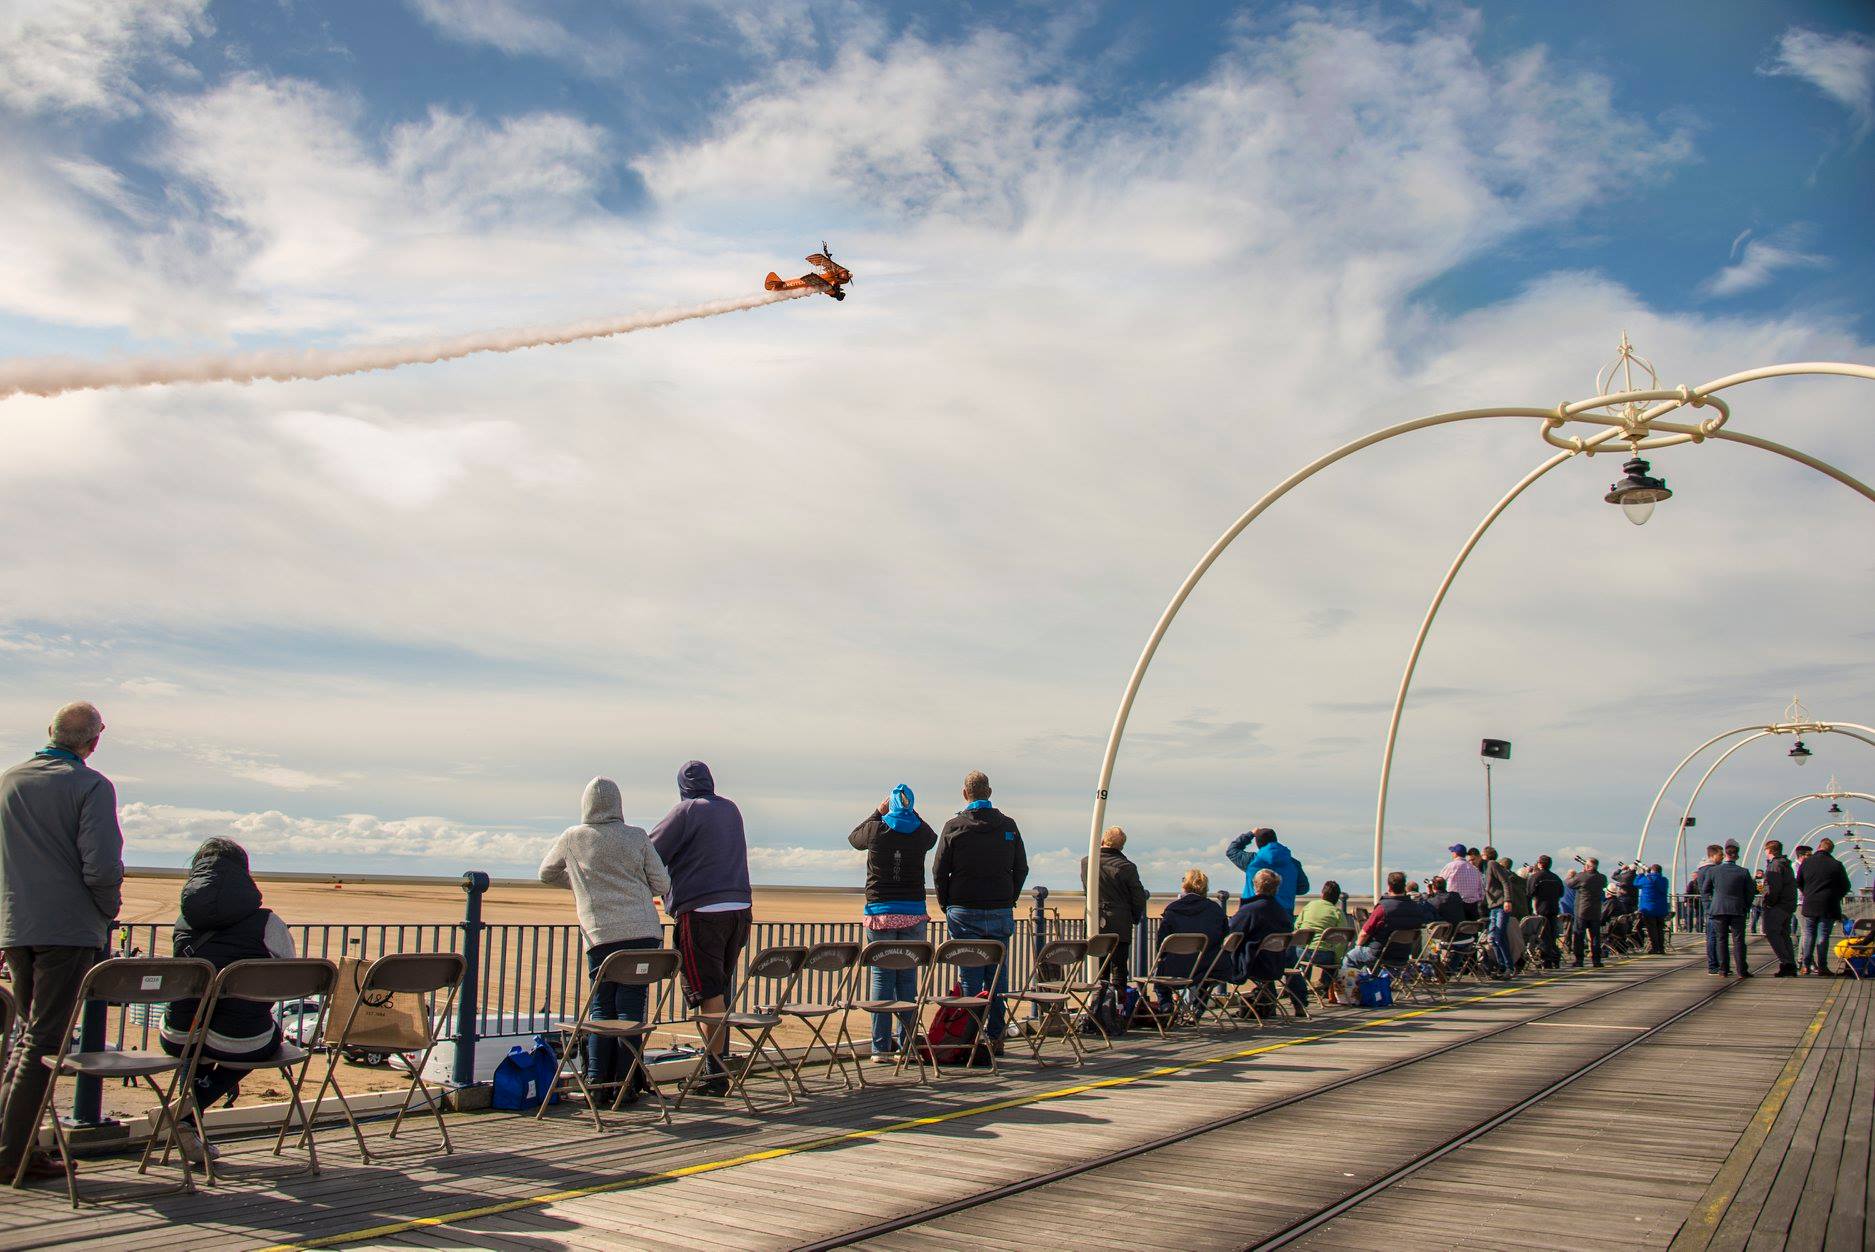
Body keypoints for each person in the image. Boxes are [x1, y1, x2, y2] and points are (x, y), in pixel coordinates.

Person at [0, 701, 125, 1184]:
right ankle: (12, 1154)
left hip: (17, 926)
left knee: (26, 1038)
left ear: (49, 732)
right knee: (44, 1042)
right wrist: (107, 908)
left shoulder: (11, 780)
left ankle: (17, 1146)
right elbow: (101, 864)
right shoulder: (90, 786)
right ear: (94, 740)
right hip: (66, 931)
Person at [159, 838, 295, 1163]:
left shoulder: (182, 923)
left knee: (199, 1044)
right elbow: (289, 979)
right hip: (242, 1039)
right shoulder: (267, 923)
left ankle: (190, 1126)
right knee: (261, 1041)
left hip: (179, 1034)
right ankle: (187, 1113)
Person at [541, 777, 670, 1098]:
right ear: (619, 804)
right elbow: (662, 884)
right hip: (643, 934)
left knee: (602, 1011)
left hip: (601, 936)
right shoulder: (636, 837)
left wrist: (585, 885)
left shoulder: (574, 838)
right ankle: (627, 1087)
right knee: (631, 1011)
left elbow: (546, 872)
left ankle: (598, 1084)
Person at [649, 760, 752, 1096]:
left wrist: (660, 889)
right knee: (718, 992)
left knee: (708, 996)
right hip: (739, 909)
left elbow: (649, 853)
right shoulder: (730, 809)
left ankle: (714, 1076)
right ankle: (715, 1070)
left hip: (702, 911)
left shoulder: (687, 811)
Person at [934, 771, 1027, 1051]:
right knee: (998, 976)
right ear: (990, 792)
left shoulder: (954, 826)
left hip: (964, 910)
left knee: (970, 977)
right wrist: (1009, 898)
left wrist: (947, 903)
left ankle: (969, 1037)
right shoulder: (1008, 825)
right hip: (999, 909)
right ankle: (996, 1036)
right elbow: (1021, 867)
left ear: (965, 794)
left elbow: (939, 870)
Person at [848, 783, 938, 1062]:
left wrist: (878, 811)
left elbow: (854, 838)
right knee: (907, 978)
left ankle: (880, 1048)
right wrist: (911, 810)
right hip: (913, 911)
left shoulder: (877, 829)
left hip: (881, 912)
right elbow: (931, 836)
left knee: (882, 977)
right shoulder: (919, 832)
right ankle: (907, 1045)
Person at [1226, 869, 1305, 1017]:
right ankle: (1267, 1004)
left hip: (1253, 964)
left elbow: (1230, 931)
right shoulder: (1281, 912)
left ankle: (1195, 1011)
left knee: (1209, 964)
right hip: (1275, 963)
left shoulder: (1250, 910)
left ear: (1255, 885)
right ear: (1276, 888)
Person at [1081, 826, 1150, 993]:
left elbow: (1087, 889)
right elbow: (1138, 896)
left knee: (1098, 967)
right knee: (1119, 967)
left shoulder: (1087, 862)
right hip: (1120, 921)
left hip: (1095, 919)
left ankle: (1098, 1005)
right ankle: (1118, 1006)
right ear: (1121, 846)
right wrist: (1133, 917)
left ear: (1103, 840)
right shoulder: (1127, 867)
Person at [1155, 869, 1227, 1010]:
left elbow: (1161, 943)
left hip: (1176, 968)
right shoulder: (1216, 910)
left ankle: (1166, 1005)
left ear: (1185, 886)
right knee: (1205, 978)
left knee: (1160, 979)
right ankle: (1198, 1009)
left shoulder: (1173, 909)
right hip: (1209, 967)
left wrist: (1162, 957)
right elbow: (1224, 937)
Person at [1345, 871, 1434, 967]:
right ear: (1404, 886)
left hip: (1380, 954)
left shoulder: (1383, 908)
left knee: (1351, 957)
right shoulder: (1416, 908)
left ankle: (1347, 982)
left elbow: (1364, 933)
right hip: (1403, 954)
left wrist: (1358, 946)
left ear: (1389, 887)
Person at [1796, 837, 1851, 976]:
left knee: (1808, 935)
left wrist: (1807, 893)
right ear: (1831, 850)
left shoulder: (1806, 862)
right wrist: (1835, 896)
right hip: (1828, 905)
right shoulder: (1836, 864)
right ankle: (1822, 967)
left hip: (1809, 904)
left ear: (1819, 847)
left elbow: (1799, 881)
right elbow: (1846, 886)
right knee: (1823, 936)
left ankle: (1805, 966)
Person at [1224, 827, 1309, 914]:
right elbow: (1303, 888)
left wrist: (1250, 834)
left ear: (1258, 844)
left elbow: (1231, 851)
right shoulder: (1293, 864)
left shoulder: (1252, 861)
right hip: (1283, 915)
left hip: (1253, 912)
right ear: (1275, 840)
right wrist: (1286, 890)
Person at [1702, 841, 1755, 978]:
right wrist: (1746, 906)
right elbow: (1750, 892)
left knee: (1721, 939)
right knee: (1738, 940)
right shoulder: (1743, 872)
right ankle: (1742, 970)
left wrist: (1709, 906)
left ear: (1725, 854)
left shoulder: (1713, 870)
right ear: (1737, 856)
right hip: (1738, 909)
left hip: (1718, 909)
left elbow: (1705, 890)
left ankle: (1723, 969)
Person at [1296, 880, 1352, 1002]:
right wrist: (1337, 959)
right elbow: (1342, 939)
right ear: (1337, 899)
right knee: (1332, 964)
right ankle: (1325, 987)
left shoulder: (1309, 906)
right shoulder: (1337, 912)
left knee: (1302, 959)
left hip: (1303, 952)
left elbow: (1296, 927)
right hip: (1324, 955)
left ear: (1322, 894)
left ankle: (1300, 989)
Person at [1758, 840, 1798, 977]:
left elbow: (1774, 888)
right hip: (1788, 905)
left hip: (1778, 906)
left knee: (1772, 932)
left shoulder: (1775, 865)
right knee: (1784, 934)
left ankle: (1786, 963)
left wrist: (1769, 902)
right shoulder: (1786, 864)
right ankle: (1790, 963)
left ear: (1769, 850)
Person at [1564, 857, 1607, 968]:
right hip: (1596, 911)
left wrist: (1573, 875)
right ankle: (1596, 961)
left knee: (1578, 936)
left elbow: (1569, 884)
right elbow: (1602, 883)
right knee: (1595, 937)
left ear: (1587, 866)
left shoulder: (1581, 876)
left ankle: (1579, 960)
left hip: (1582, 911)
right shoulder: (1602, 878)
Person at [1481, 846, 1517, 974]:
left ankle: (1507, 965)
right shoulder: (1487, 867)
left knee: (1498, 936)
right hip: (1494, 906)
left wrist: (1507, 900)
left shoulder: (1492, 864)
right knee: (1495, 938)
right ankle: (1503, 965)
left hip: (1500, 904)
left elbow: (1505, 882)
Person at [1527, 855, 1564, 968]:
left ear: (1540, 864)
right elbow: (1561, 893)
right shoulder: (1556, 877)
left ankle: (1546, 960)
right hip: (1553, 908)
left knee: (1543, 935)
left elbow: (1529, 892)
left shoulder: (1536, 877)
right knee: (1553, 935)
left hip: (1541, 909)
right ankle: (1555, 958)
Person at [1437, 843, 1485, 920]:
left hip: (1455, 905)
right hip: (1473, 907)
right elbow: (1481, 890)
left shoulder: (1451, 866)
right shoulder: (1475, 869)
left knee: (1456, 929)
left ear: (1455, 853)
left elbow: (1438, 882)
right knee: (1471, 929)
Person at [1634, 862, 1670, 956]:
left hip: (1648, 909)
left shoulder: (1646, 879)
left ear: (1652, 870)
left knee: (1652, 930)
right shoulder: (1664, 880)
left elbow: (1636, 884)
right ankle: (1661, 948)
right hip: (1661, 908)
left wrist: (1641, 874)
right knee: (1660, 929)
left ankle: (1655, 948)